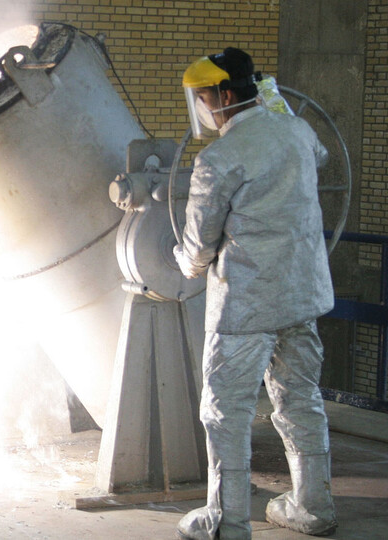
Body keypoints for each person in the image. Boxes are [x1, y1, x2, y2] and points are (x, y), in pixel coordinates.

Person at [172, 48, 337, 539]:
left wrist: (183, 265)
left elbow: (200, 244)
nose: (201, 107)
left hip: (246, 306)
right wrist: (275, 106)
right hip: (301, 296)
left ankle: (227, 521)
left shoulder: (218, 157)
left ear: (224, 95)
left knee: (225, 412)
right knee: (300, 400)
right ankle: (313, 507)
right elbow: (321, 156)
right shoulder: (298, 132)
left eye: (204, 98)